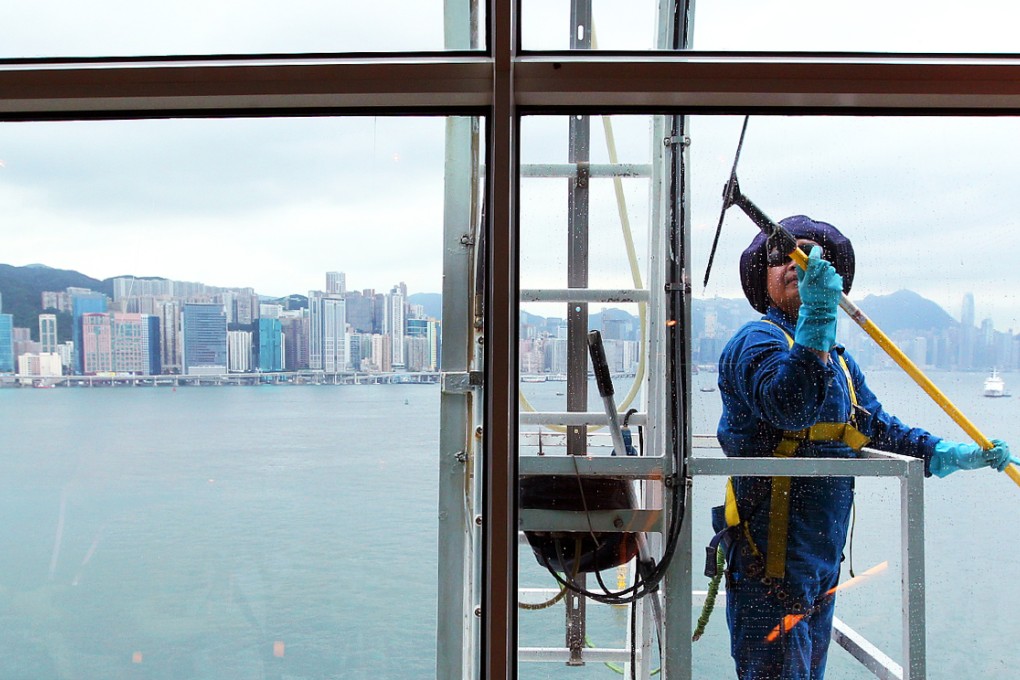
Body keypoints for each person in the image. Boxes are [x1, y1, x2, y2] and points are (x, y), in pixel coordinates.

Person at [711, 215, 1012, 680]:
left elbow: (878, 430)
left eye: (813, 254)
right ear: (762, 277)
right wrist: (817, 319)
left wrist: (947, 452)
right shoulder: (756, 341)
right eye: (781, 255)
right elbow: (790, 406)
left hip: (819, 572)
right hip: (767, 573)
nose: (797, 260)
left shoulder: (841, 364)